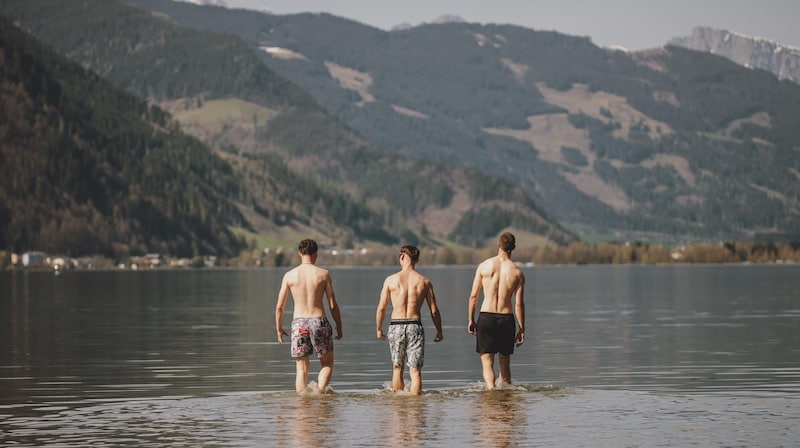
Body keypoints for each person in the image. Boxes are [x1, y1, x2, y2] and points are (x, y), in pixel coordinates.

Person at [276, 239, 343, 393]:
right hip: (319, 321)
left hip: (299, 324)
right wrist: (339, 326)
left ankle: (302, 408)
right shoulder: (323, 274)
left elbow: (280, 306)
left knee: (301, 369)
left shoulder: (289, 275)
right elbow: (333, 305)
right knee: (327, 363)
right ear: (316, 254)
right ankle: (319, 392)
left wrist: (279, 329)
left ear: (300, 253)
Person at [376, 245, 443, 395]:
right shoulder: (424, 282)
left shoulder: (391, 280)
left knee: (397, 367)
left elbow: (381, 308)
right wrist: (439, 330)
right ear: (417, 260)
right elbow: (434, 310)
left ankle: (399, 408)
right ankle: (416, 408)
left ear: (402, 257)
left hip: (396, 326)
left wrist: (379, 329)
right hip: (415, 326)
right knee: (415, 371)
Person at [467, 232, 526, 390]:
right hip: (506, 318)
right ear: (513, 248)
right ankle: (505, 400)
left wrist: (471, 319)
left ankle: (491, 391)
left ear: (498, 245)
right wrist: (522, 328)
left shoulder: (484, 266)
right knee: (504, 362)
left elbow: (473, 296)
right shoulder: (518, 273)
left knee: (487, 361)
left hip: (486, 317)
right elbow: (518, 305)